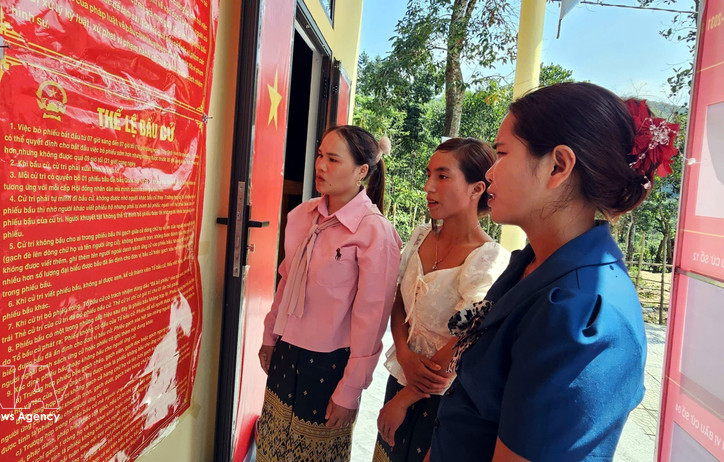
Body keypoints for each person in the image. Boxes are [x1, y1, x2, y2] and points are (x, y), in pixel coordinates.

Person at [428, 82, 680, 461]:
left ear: (558, 166)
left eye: (502, 153)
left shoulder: (583, 316)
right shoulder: (532, 264)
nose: (491, 173)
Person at [256, 125, 402, 461]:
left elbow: (372, 319)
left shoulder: (374, 233)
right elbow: (286, 279)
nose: (321, 165)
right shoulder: (303, 216)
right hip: (287, 351)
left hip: (330, 366)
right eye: (320, 155)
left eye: (333, 159)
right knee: (271, 447)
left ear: (362, 171)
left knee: (314, 453)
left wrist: (350, 389)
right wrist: (270, 334)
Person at [374, 138, 510, 462]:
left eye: (443, 176)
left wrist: (404, 400)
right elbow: (399, 303)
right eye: (428, 174)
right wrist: (404, 354)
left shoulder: (487, 258)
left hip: (443, 401)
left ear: (477, 188)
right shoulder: (421, 236)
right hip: (400, 379)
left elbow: (466, 337)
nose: (428, 186)